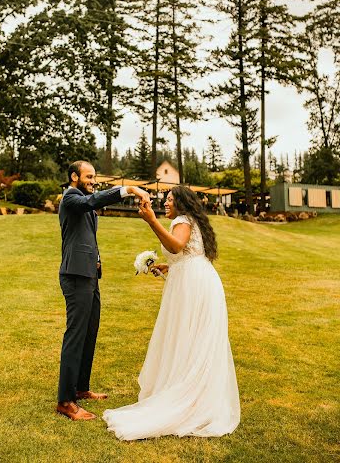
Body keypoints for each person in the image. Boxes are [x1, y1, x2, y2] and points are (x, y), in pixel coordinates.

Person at [103, 185, 240, 439]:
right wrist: (169, 267)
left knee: (188, 337)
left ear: (182, 203)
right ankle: (196, 392)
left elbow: (177, 246)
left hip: (195, 286)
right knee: (192, 339)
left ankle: (189, 396)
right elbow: (187, 254)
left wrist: (152, 221)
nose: (165, 203)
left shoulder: (181, 220)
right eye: (164, 199)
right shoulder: (190, 220)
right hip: (199, 282)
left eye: (169, 199)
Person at [57, 160, 150, 421]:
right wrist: (129, 189)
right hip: (75, 276)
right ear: (74, 176)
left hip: (89, 275)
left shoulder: (84, 200)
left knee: (90, 331)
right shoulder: (71, 197)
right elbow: (92, 201)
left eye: (94, 177)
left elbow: (87, 234)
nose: (93, 181)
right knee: (76, 334)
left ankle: (81, 388)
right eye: (88, 176)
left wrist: (96, 258)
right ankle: (65, 400)